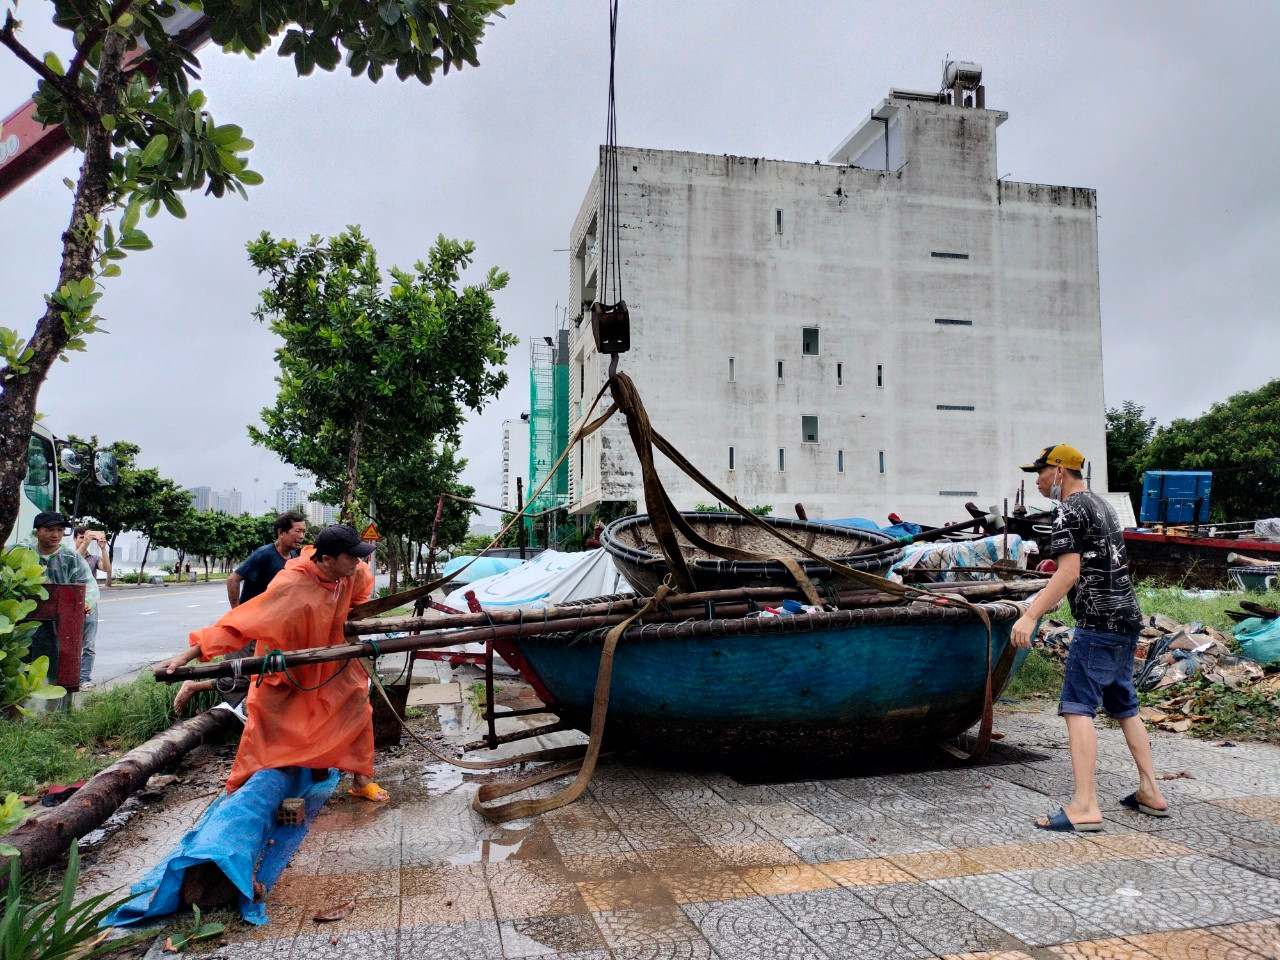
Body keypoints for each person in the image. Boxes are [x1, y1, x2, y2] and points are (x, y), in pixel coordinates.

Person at [163, 525, 386, 801]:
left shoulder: (354, 571)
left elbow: (361, 594)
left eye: (358, 556)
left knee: (356, 703)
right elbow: (241, 623)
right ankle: (244, 784)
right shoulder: (291, 584)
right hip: (289, 660)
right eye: (351, 557)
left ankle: (361, 778)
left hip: (333, 656)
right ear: (327, 560)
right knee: (268, 719)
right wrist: (187, 656)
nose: (358, 562)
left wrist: (349, 617)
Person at [1010, 444, 1169, 831]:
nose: (1038, 479)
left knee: (1077, 706)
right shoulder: (1101, 505)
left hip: (1098, 622)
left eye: (1042, 471)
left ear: (1061, 472)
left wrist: (1030, 616)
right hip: (1126, 617)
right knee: (1123, 703)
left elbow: (1068, 573)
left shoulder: (1067, 509)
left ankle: (1084, 806)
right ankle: (1151, 791)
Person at [26, 512, 100, 689]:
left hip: (63, 620)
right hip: (29, 617)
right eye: (49, 530)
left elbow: (87, 583)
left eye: (60, 530)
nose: (56, 535)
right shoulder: (23, 552)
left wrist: (86, 601)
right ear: (37, 531)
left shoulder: (70, 557)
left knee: (62, 659)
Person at [225, 511, 306, 608]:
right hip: (254, 618)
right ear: (281, 532)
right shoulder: (263, 554)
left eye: (303, 532)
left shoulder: (294, 557)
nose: (302, 536)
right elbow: (233, 579)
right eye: (298, 531)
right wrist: (236, 611)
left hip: (274, 618)